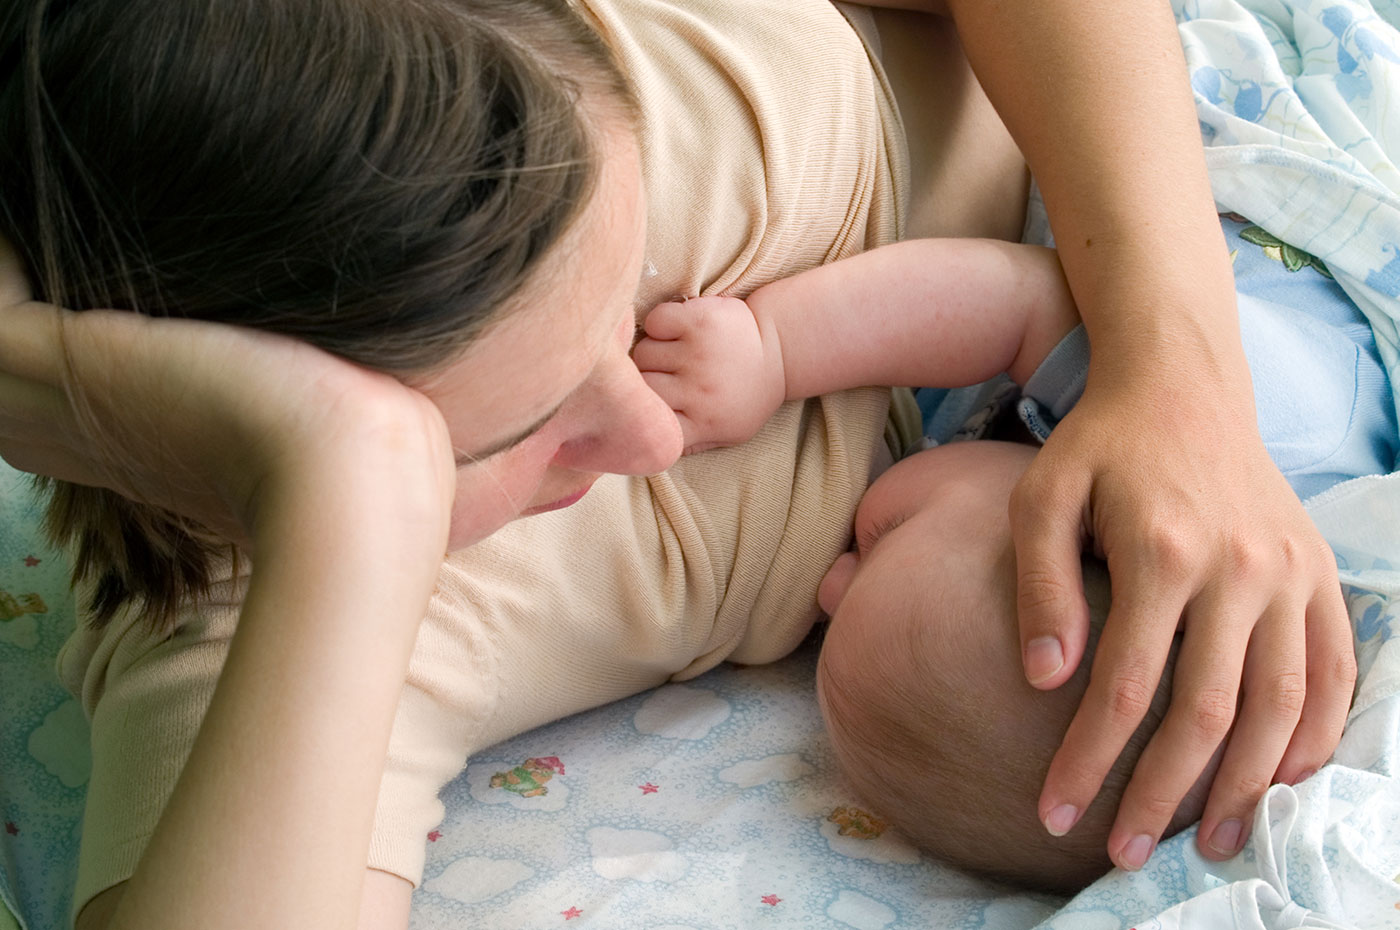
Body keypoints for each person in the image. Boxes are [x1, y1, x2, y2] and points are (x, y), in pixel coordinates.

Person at [0, 0, 1356, 927]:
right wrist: (349, 491)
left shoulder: (571, 87)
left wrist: (1175, 366)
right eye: (514, 438)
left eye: (628, 290)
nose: (653, 430)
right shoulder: (265, 626)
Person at [633, 217, 1396, 889]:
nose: (828, 585)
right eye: (881, 540)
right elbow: (1014, 297)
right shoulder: (1250, 432)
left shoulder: (989, 500)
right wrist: (778, 349)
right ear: (1081, 537)